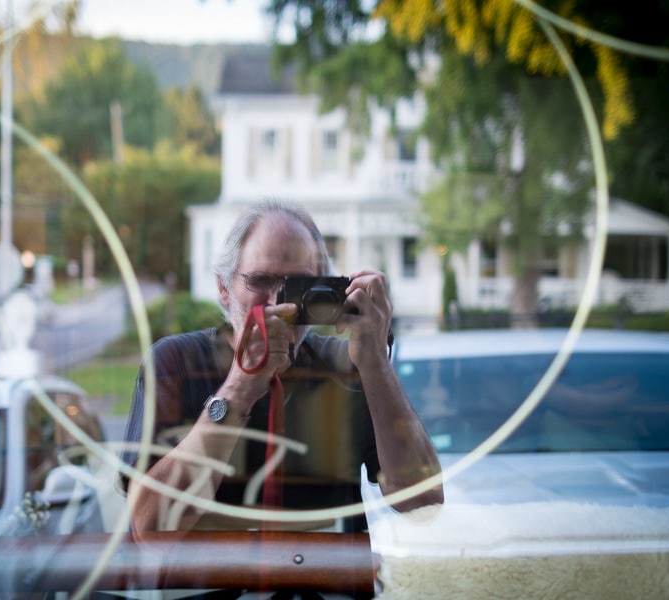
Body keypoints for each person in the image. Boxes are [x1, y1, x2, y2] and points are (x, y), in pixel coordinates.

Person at [122, 200, 443, 535]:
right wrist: (240, 387)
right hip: (209, 585)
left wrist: (375, 362)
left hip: (326, 584)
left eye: (298, 286)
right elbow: (150, 527)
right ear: (224, 288)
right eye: (260, 280)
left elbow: (424, 503)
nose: (279, 303)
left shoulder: (346, 367)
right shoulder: (176, 362)